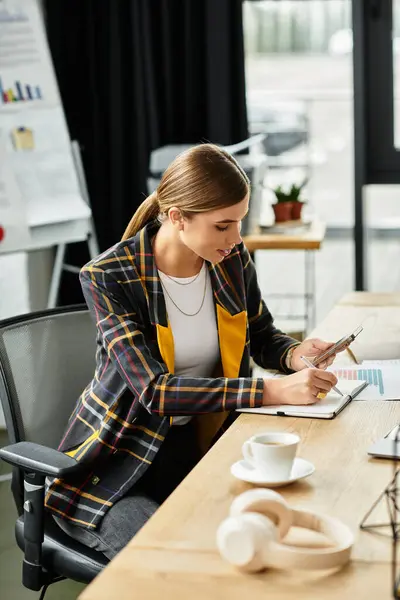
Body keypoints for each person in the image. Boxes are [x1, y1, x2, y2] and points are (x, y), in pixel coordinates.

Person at [45, 143, 338, 559]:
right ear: (178, 217)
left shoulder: (230, 259)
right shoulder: (109, 277)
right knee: (171, 559)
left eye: (238, 221)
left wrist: (294, 355)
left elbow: (260, 334)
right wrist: (275, 391)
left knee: (272, 534)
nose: (236, 238)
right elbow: (156, 392)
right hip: (120, 468)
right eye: (223, 226)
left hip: (206, 447)